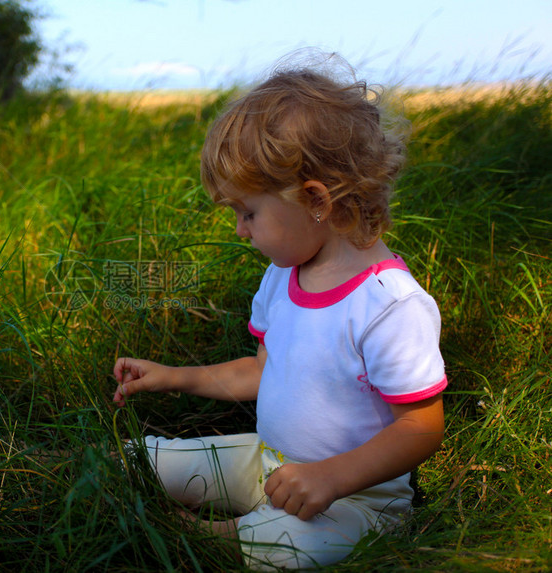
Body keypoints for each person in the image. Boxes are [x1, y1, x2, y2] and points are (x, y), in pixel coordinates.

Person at [111, 55, 446, 570]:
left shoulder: (388, 305)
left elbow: (421, 427)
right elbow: (261, 372)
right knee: (151, 460)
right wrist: (172, 377)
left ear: (315, 199)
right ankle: (86, 470)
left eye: (249, 212)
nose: (240, 230)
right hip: (268, 462)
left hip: (357, 498)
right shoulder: (283, 277)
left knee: (286, 548)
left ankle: (219, 536)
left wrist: (333, 477)